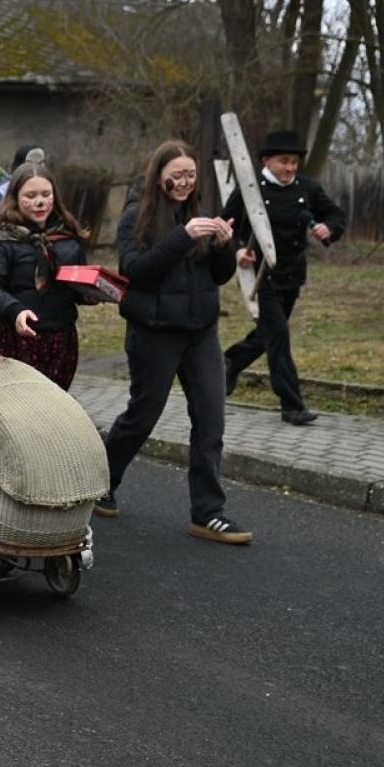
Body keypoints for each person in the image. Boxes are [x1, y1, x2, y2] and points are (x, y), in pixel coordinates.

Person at [96, 141, 249, 544]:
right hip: (154, 333)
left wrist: (223, 246)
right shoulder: (136, 217)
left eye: (191, 175)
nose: (184, 183)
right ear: (158, 175)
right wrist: (182, 236)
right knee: (142, 416)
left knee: (211, 420)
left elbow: (218, 277)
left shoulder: (199, 214)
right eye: (176, 175)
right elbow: (136, 271)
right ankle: (100, 482)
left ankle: (208, 512)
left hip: (201, 334)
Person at [220, 128, 346, 425]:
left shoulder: (307, 188)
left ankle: (230, 362)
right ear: (267, 161)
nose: (290, 168)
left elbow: (336, 215)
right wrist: (237, 250)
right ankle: (292, 405)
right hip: (260, 276)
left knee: (268, 335)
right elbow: (225, 225)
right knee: (278, 336)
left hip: (292, 275)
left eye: (294, 162)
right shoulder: (251, 190)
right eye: (284, 161)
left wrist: (329, 228)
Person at [0, 161, 90, 389]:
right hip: (14, 339)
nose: (40, 202)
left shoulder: (66, 235)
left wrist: (92, 292)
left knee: (53, 410)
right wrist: (14, 310)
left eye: (46, 194)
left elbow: (75, 284)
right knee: (17, 413)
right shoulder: (1, 238)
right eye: (31, 195)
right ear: (15, 197)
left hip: (60, 338)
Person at [0, 144, 43, 222]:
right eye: (30, 162)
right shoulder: (2, 194)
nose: (37, 167)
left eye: (41, 162)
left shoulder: (48, 192)